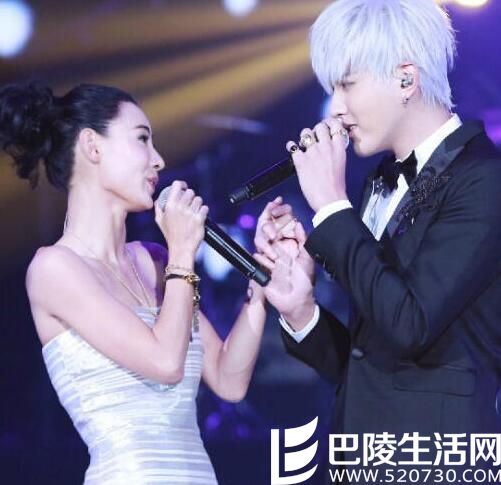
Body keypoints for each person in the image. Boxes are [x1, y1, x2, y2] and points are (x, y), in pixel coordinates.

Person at [254, 0, 501, 482]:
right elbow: (371, 359)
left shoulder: (483, 180)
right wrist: (301, 310)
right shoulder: (377, 184)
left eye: (347, 84)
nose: (336, 107)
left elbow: (411, 324)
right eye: (332, 88)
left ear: (406, 79)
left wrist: (330, 205)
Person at [0, 81, 271, 484]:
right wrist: (183, 251)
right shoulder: (54, 268)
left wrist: (259, 289)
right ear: (92, 147)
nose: (158, 160)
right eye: (142, 139)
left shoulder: (156, 261)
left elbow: (228, 380)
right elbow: (164, 363)